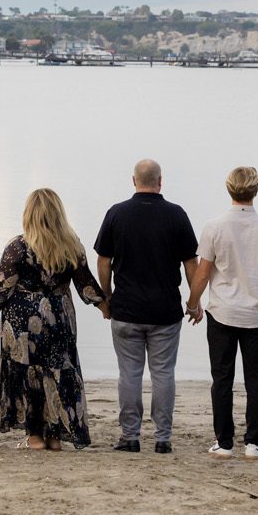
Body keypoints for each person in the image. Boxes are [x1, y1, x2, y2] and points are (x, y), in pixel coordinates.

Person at [0, 188, 107, 451]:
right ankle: (55, 436)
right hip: (59, 316)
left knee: (27, 373)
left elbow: (2, 288)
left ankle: (34, 437)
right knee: (58, 372)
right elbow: (86, 285)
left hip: (22, 320)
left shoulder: (17, 246)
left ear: (28, 214)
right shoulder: (72, 245)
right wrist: (106, 309)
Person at [93, 158, 197, 454]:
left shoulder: (117, 213)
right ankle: (163, 438)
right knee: (164, 373)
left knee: (129, 373)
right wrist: (194, 302)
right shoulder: (176, 215)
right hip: (165, 311)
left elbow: (103, 260)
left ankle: (130, 435)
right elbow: (192, 262)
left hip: (126, 309)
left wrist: (106, 295)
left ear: (133, 181)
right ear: (160, 181)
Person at [186, 165, 258, 460]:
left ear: (229, 189)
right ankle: (253, 442)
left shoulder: (214, 227)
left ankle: (225, 442)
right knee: (256, 379)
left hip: (222, 313)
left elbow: (203, 274)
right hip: (255, 313)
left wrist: (192, 303)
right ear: (256, 190)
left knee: (222, 378)